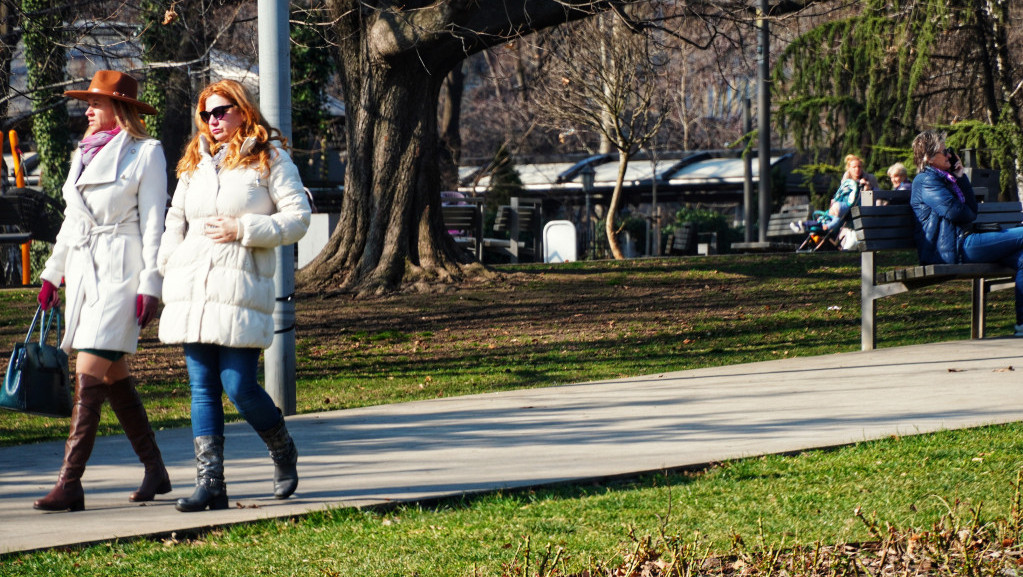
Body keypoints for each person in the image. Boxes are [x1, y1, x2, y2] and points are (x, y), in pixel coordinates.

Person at [157, 79, 311, 512]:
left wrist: (243, 229)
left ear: (243, 110)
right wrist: (168, 267)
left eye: (221, 111)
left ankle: (282, 450)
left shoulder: (270, 159)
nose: (213, 121)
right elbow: (175, 221)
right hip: (192, 290)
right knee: (202, 388)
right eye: (206, 114)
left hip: (241, 288)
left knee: (238, 385)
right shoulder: (195, 163)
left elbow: (297, 219)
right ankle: (211, 484)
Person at [34, 70, 169, 511]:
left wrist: (150, 284)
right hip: (86, 273)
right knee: (114, 377)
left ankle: (69, 483)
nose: (87, 110)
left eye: (96, 103)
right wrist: (52, 274)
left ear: (120, 108)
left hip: (122, 273)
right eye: (86, 103)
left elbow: (154, 225)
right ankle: (156, 470)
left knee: (88, 372)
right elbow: (73, 223)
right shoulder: (82, 154)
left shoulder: (146, 153)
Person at [910, 130, 1023, 336]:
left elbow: (971, 210)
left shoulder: (947, 179)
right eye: (944, 152)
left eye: (949, 151)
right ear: (928, 157)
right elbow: (957, 212)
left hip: (964, 241)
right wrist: (965, 208)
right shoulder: (926, 181)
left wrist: (961, 177)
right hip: (954, 248)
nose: (950, 155)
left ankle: (1021, 326)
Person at [790, 154, 871, 234]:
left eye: (859, 167)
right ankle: (803, 225)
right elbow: (841, 194)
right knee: (822, 220)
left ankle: (805, 226)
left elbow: (867, 199)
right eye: (854, 167)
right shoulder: (846, 182)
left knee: (825, 222)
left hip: (856, 210)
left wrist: (866, 187)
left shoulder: (868, 179)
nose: (857, 169)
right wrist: (835, 201)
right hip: (841, 208)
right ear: (849, 168)